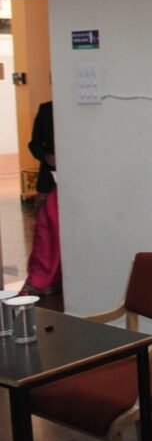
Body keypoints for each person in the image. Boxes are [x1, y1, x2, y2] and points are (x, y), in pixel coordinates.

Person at [23, 101, 61, 296]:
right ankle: (41, 279)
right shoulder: (46, 109)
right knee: (48, 234)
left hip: (80, 181)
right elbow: (34, 144)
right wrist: (47, 157)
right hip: (51, 182)